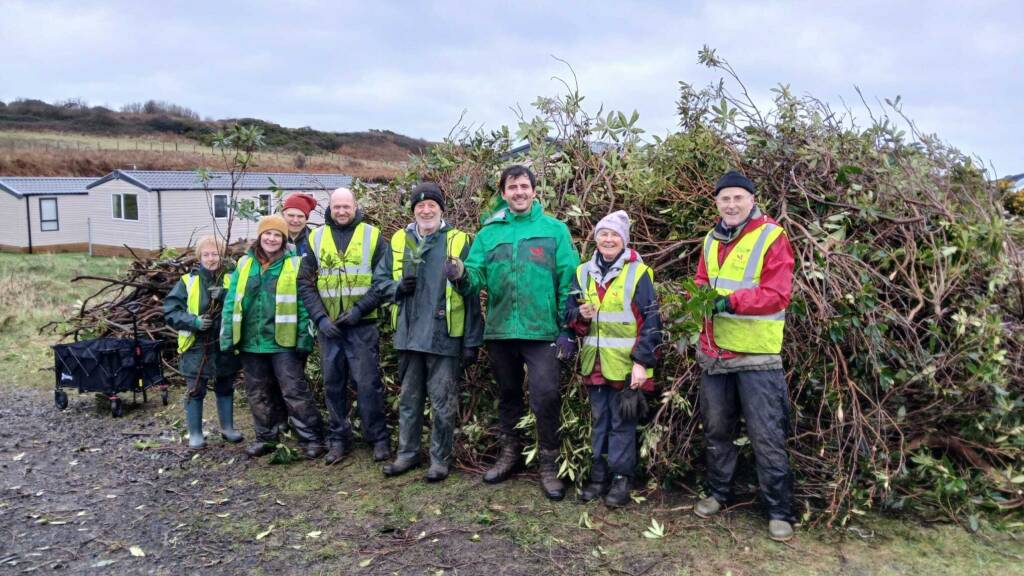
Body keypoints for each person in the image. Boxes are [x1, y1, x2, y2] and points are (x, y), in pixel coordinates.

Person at [445, 165, 580, 500]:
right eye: (512, 187)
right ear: (502, 193)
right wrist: (461, 275)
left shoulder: (555, 230)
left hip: (542, 330)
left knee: (546, 395)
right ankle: (511, 455)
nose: (519, 192)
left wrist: (567, 328)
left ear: (535, 191)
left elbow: (570, 280)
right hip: (502, 330)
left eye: (524, 186)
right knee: (507, 395)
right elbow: (476, 275)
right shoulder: (489, 233)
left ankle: (547, 463)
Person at [691, 170, 796, 542]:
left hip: (757, 357)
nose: (731, 204)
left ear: (751, 200)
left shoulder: (771, 236)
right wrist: (699, 301)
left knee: (766, 435)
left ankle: (779, 511)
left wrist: (730, 301)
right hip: (715, 355)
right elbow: (703, 281)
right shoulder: (710, 238)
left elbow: (777, 293)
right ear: (716, 203)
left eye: (738, 197)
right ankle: (719, 493)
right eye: (724, 199)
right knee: (717, 430)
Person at [372, 182, 484, 482]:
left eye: (431, 204)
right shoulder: (399, 240)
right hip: (408, 334)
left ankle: (439, 459)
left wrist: (472, 341)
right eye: (419, 205)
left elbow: (471, 291)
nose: (425, 209)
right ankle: (407, 454)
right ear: (413, 210)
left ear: (441, 209)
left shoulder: (458, 240)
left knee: (443, 402)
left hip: (443, 335)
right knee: (409, 400)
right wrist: (396, 288)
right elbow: (380, 281)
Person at [566, 210, 661, 507]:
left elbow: (652, 322)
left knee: (622, 424)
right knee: (599, 422)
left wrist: (642, 363)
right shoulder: (582, 273)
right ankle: (598, 478)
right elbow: (570, 318)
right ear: (596, 239)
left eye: (615, 235)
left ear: (624, 240)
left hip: (625, 368)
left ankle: (621, 480)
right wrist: (578, 316)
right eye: (603, 234)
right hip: (594, 365)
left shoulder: (639, 273)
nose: (608, 239)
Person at [220, 215, 327, 459]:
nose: (271, 238)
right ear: (260, 236)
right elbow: (231, 301)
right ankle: (266, 438)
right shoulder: (244, 264)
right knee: (258, 392)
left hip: (283, 341)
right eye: (267, 234)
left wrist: (303, 338)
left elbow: (302, 305)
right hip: (251, 341)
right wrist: (227, 335)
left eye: (277, 235)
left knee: (294, 391)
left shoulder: (294, 264)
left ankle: (312, 439)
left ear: (283, 239)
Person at [298, 187, 390, 464]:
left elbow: (382, 282)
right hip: (330, 329)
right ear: (330, 207)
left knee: (368, 384)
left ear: (355, 206)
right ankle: (339, 439)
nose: (341, 211)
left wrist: (360, 310)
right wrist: (320, 318)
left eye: (346, 206)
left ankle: (379, 439)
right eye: (336, 206)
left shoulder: (373, 237)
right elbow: (305, 282)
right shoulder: (315, 238)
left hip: (362, 325)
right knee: (333, 385)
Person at [163, 235, 243, 449]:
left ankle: (227, 428)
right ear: (199, 257)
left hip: (224, 342)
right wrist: (194, 321)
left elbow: (243, 303)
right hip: (196, 346)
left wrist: (226, 295)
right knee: (195, 389)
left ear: (222, 255)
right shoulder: (188, 282)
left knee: (225, 385)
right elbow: (171, 311)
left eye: (215, 253)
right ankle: (195, 433)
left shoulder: (231, 278)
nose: (211, 258)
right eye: (206, 254)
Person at [281, 193, 318, 257]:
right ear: (283, 216)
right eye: (291, 215)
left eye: (300, 216)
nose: (295, 220)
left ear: (306, 219)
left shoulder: (315, 240)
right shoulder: (273, 239)